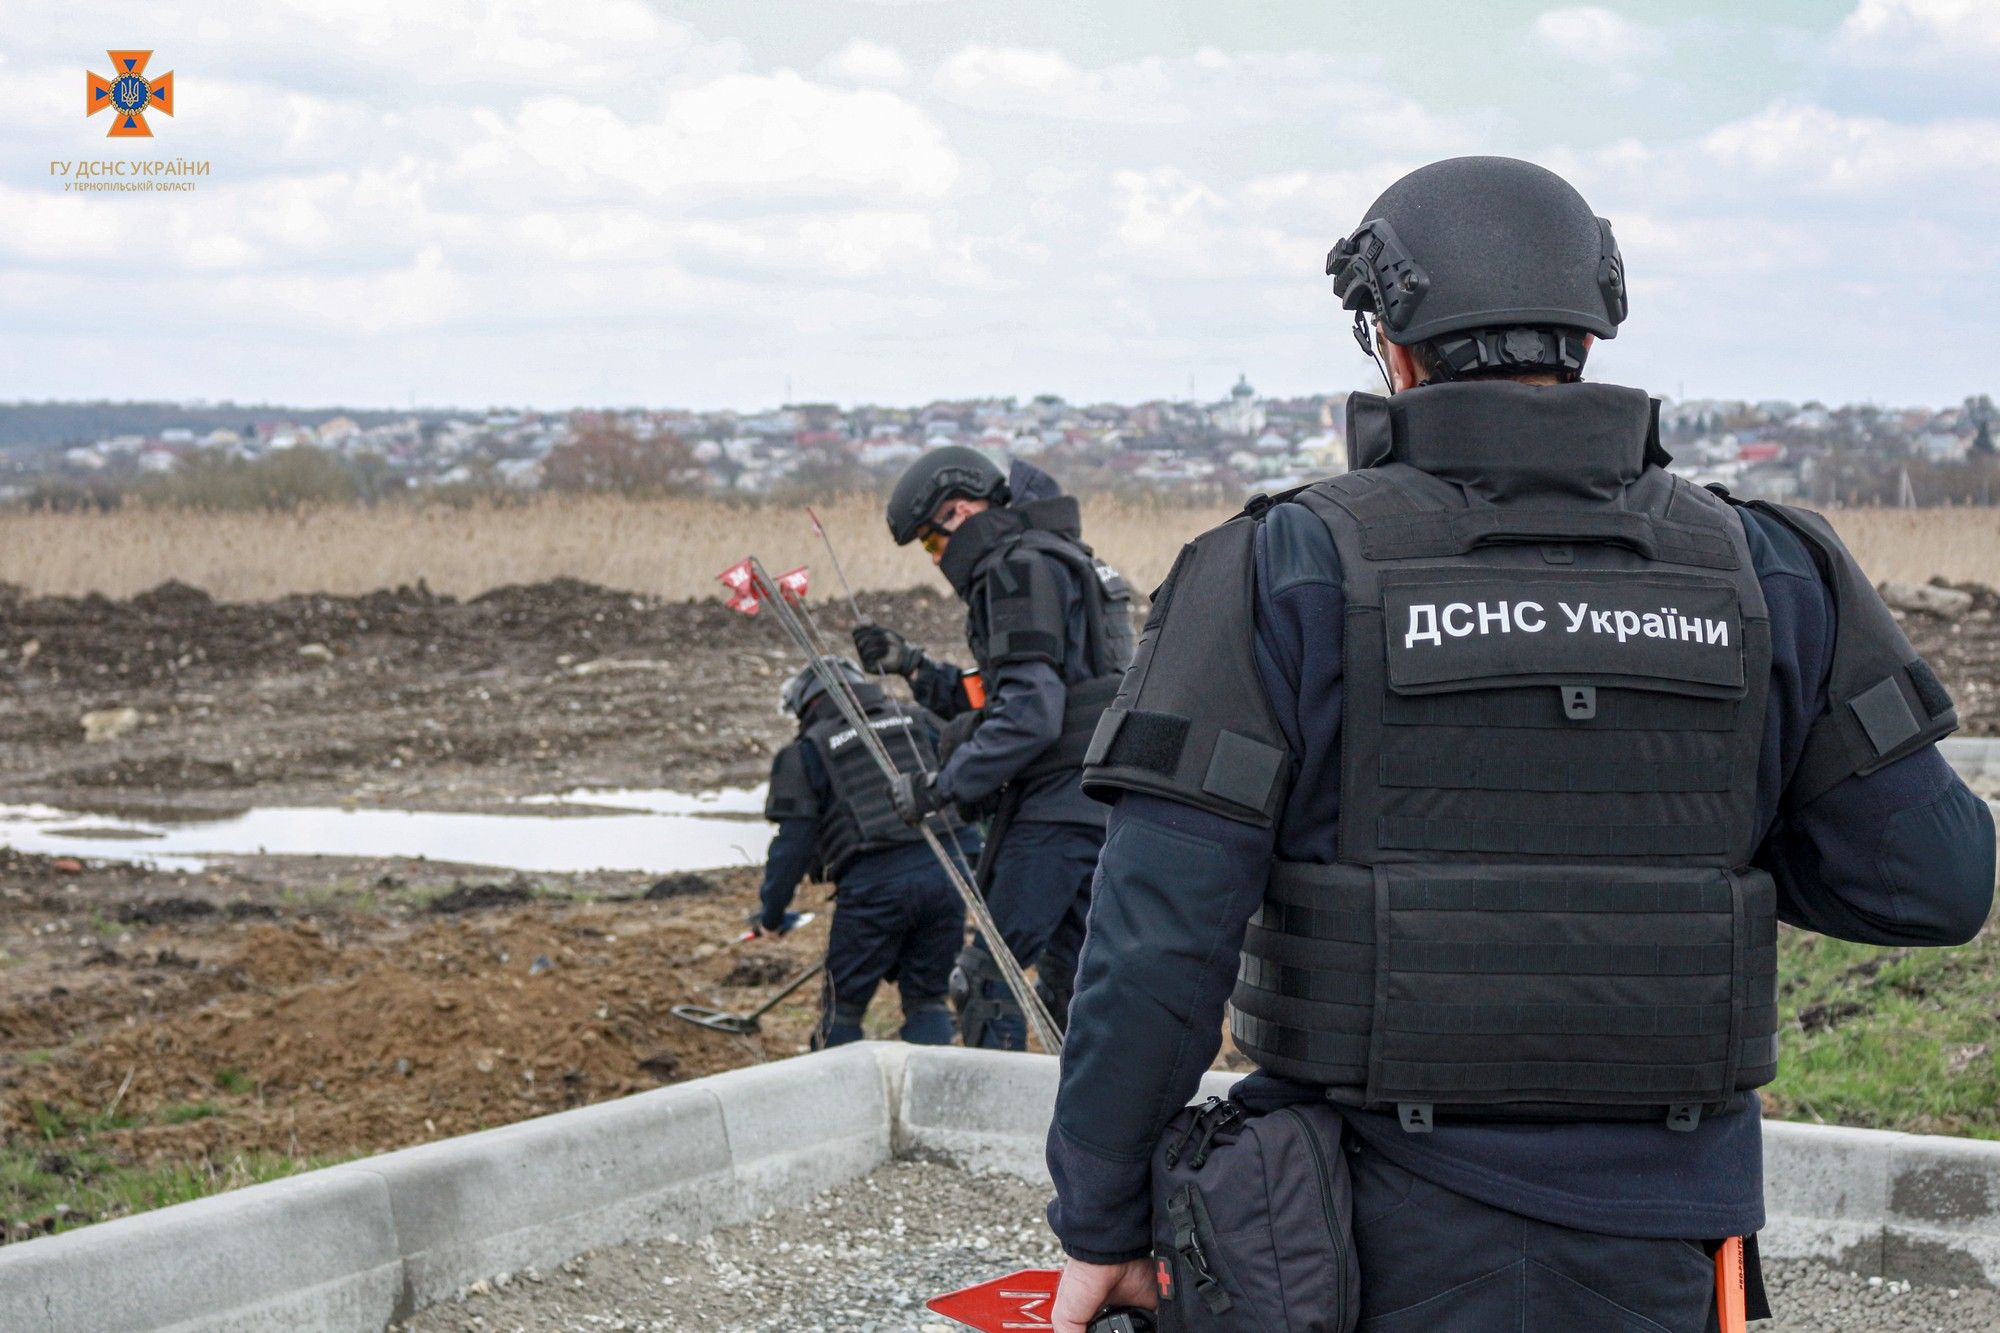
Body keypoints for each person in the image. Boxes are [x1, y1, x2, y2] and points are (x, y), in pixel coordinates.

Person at [1047, 156, 1997, 1330]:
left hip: (1357, 1238)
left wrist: (1097, 1221)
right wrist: (1681, 858)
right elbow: (1935, 880)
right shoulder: (1772, 567)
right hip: (1672, 1241)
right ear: (1590, 339)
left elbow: (1157, 940)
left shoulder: (1270, 569)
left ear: (1386, 341)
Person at [855, 453, 1135, 1049]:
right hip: (1104, 801)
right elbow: (1020, 692)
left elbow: (1030, 715)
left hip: (1054, 815)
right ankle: (1087, 1132)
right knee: (1078, 981)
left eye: (933, 543)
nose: (937, 560)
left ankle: (991, 1129)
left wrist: (941, 787)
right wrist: (911, 666)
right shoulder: (1063, 558)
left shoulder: (1013, 569)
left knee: (985, 981)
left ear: (960, 511)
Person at [754, 655, 973, 1047]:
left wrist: (771, 914)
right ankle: (933, 1102)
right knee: (928, 1001)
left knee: (844, 1008)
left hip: (875, 888)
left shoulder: (806, 751)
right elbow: (970, 779)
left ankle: (835, 1103)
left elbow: (793, 846)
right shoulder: (917, 720)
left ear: (808, 704)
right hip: (947, 874)